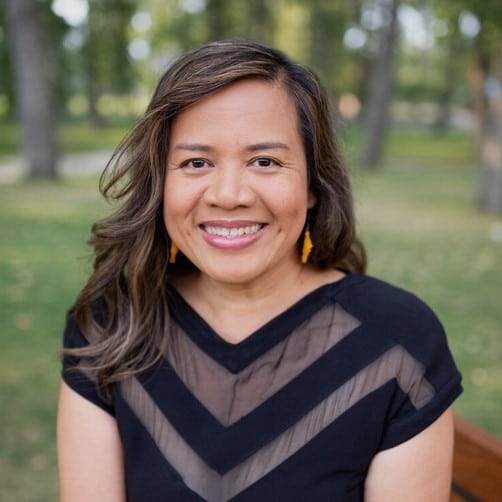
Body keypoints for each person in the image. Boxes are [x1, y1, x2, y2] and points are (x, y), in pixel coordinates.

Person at [57, 39, 462, 502]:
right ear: (160, 184)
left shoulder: (397, 341)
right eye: (196, 162)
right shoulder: (110, 326)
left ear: (313, 182)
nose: (228, 194)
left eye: (265, 161)